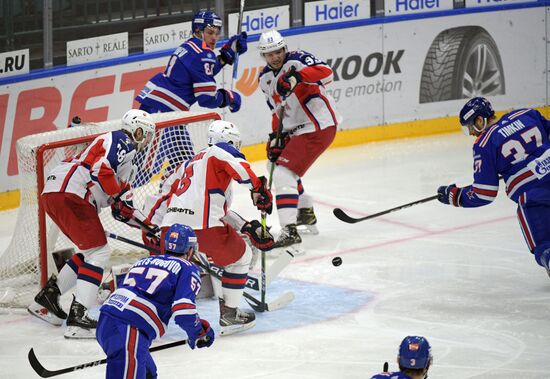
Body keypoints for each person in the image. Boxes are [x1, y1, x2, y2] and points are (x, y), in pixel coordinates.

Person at [27, 109, 156, 339]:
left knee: (90, 251)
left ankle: (47, 298)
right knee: (99, 252)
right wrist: (116, 195)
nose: (146, 140)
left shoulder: (126, 159)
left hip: (56, 193)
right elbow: (101, 170)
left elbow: (121, 210)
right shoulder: (121, 139)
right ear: (136, 131)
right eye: (144, 134)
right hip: (72, 193)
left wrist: (148, 226)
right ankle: (79, 318)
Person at [160, 120, 274, 335]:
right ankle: (230, 315)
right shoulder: (219, 152)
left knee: (171, 271)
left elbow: (170, 192)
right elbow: (242, 170)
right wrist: (259, 188)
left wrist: (247, 226)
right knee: (241, 257)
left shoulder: (191, 164)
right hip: (203, 228)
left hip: (169, 228)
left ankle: (149, 313)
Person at [437, 97, 550, 276]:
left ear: (480, 121)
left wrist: (455, 195)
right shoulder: (527, 114)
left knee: (546, 248)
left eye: (470, 127)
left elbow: (484, 193)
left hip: (533, 198)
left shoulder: (484, 144)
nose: (472, 133)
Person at [135, 10, 247, 185]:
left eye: (217, 33)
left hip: (165, 111)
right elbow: (206, 98)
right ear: (197, 31)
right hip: (162, 115)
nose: (214, 37)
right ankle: (122, 201)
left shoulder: (190, 46)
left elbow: (200, 71)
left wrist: (226, 56)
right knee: (142, 170)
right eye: (210, 32)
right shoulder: (204, 54)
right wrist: (229, 97)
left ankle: (167, 198)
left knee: (184, 164)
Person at [257, 29, 342, 248]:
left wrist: (298, 76)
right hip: (296, 129)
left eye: (278, 51)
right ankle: (304, 212)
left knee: (284, 174)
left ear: (284, 48)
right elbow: (277, 112)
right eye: (269, 54)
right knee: (273, 165)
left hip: (318, 124)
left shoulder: (298, 59)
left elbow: (327, 73)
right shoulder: (264, 79)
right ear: (263, 56)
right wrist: (276, 138)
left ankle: (290, 232)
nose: (275, 57)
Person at [97, 224, 215, 379]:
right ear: (191, 250)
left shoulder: (145, 260)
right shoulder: (187, 267)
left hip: (107, 320)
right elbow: (184, 312)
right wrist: (198, 331)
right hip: (129, 327)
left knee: (147, 373)